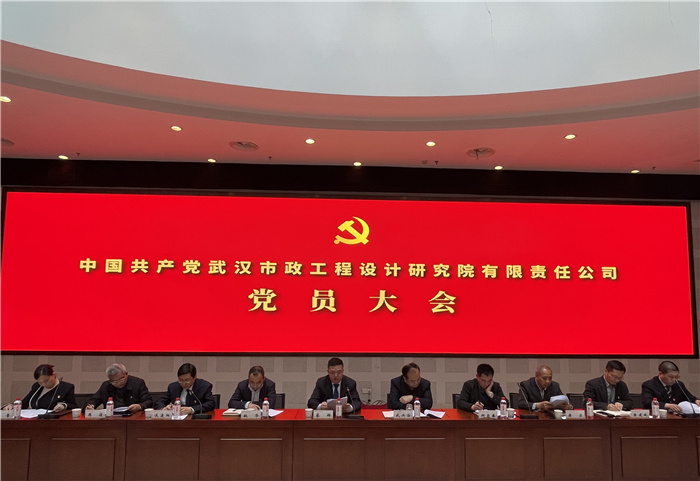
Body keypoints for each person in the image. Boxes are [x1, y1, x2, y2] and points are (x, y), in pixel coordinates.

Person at [2, 364, 78, 412]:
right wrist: (12, 406)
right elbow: (26, 402)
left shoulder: (66, 387)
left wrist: (63, 406)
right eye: (40, 382)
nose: (44, 384)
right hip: (34, 420)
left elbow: (73, 406)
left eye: (46, 381)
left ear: (54, 375)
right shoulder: (37, 386)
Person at [85, 363, 153, 412]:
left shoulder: (137, 383)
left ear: (126, 374)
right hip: (112, 418)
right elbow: (93, 400)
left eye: (121, 379)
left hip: (134, 417)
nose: (118, 383)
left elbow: (148, 401)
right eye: (114, 381)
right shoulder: (106, 385)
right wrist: (90, 406)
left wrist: (139, 406)